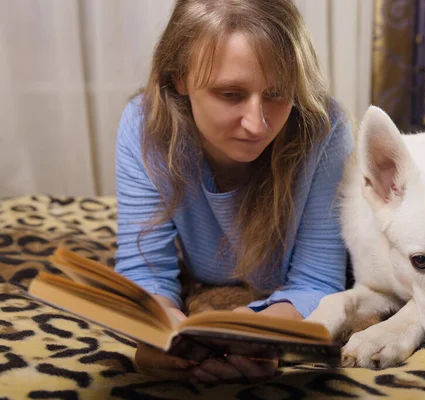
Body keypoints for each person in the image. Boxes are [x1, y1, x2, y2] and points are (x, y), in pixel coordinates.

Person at [114, 0, 353, 384]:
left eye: (277, 94)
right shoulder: (144, 127)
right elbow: (145, 272)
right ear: (179, 79)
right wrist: (161, 334)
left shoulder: (324, 129)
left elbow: (317, 283)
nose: (257, 125)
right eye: (230, 94)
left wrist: (262, 331)